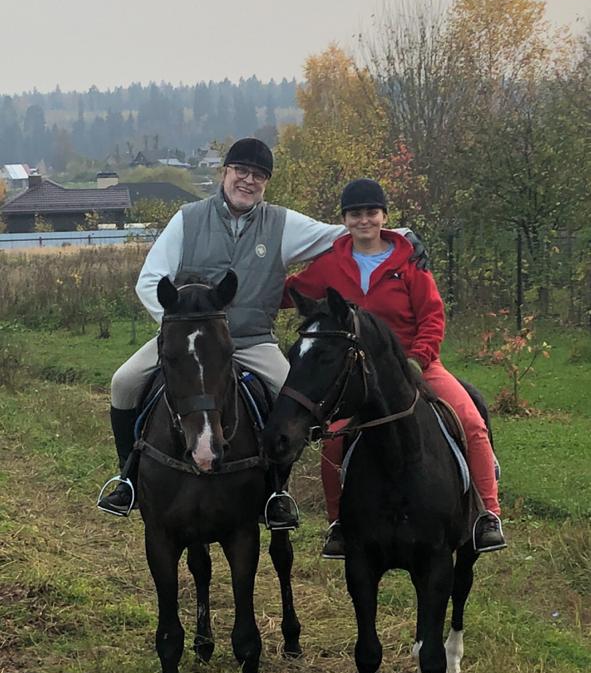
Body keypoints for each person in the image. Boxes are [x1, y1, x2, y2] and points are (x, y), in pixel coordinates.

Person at [97, 137, 352, 526]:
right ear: (225, 172)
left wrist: (399, 236)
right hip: (190, 340)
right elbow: (149, 280)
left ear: (266, 183)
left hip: (252, 340)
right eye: (242, 171)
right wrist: (178, 330)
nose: (248, 180)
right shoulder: (188, 218)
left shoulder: (282, 224)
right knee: (123, 382)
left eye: (259, 175)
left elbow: (343, 234)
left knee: (294, 398)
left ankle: (276, 491)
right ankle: (127, 477)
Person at [282, 178, 506, 559]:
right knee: (333, 440)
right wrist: (242, 285)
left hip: (415, 364)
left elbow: (432, 316)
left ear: (384, 216)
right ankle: (339, 524)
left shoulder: (408, 263)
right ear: (344, 220)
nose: (364, 220)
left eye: (372, 212)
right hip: (358, 375)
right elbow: (292, 292)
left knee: (470, 421)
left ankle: (487, 514)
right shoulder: (330, 265)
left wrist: (418, 358)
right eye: (355, 214)